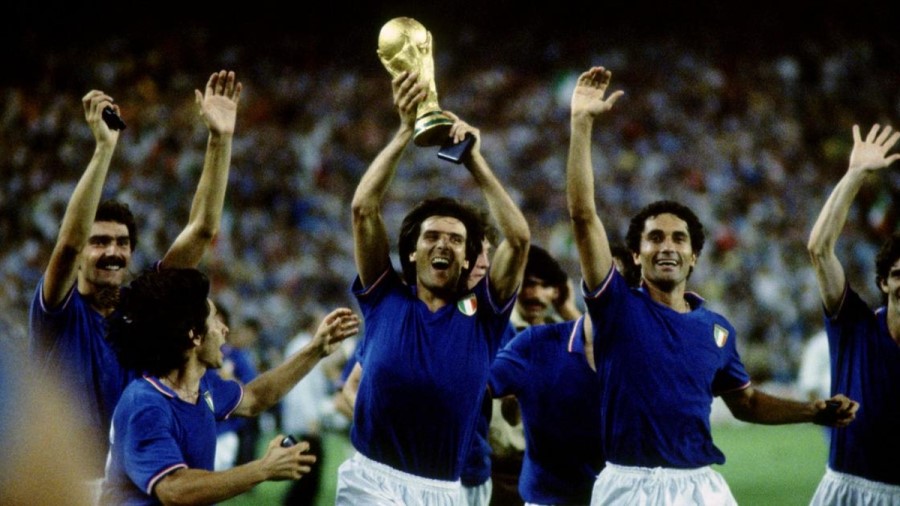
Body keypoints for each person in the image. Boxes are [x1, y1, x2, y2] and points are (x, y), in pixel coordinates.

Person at [566, 65, 858, 505]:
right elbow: (583, 215)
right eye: (655, 238)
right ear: (636, 255)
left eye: (679, 239)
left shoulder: (716, 329)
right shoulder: (616, 306)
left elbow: (747, 403)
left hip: (701, 486)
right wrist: (581, 125)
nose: (667, 246)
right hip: (630, 486)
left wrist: (813, 411)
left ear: (695, 256)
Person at [28, 70, 242, 484]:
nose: (113, 252)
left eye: (122, 243)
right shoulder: (57, 312)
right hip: (65, 485)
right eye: (99, 242)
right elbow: (68, 245)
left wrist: (220, 140)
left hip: (127, 485)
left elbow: (202, 230)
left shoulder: (143, 307)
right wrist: (104, 149)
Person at [335, 69, 530, 505]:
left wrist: (474, 160)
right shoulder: (385, 297)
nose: (443, 244)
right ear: (411, 253)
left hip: (443, 490)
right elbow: (363, 209)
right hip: (371, 480)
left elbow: (518, 239)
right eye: (432, 237)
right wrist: (405, 131)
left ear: (468, 258)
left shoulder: (485, 316)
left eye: (456, 240)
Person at [100, 267, 360, 505]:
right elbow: (174, 489)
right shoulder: (146, 403)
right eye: (215, 320)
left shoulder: (203, 386)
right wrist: (263, 468)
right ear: (195, 335)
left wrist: (316, 350)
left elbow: (255, 397)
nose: (225, 329)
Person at [806, 123, 900, 504]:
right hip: (848, 489)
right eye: (898, 274)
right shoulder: (854, 324)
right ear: (883, 283)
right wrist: (856, 174)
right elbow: (819, 250)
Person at [488, 245, 605, 506]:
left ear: (557, 291)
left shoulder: (561, 336)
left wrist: (568, 309)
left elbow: (594, 351)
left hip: (550, 475)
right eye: (529, 284)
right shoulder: (498, 332)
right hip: (497, 469)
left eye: (546, 286)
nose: (536, 295)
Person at [213, 306, 261, 471]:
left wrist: (230, 379)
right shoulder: (191, 356)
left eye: (219, 324)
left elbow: (253, 391)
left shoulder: (236, 356)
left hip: (225, 429)